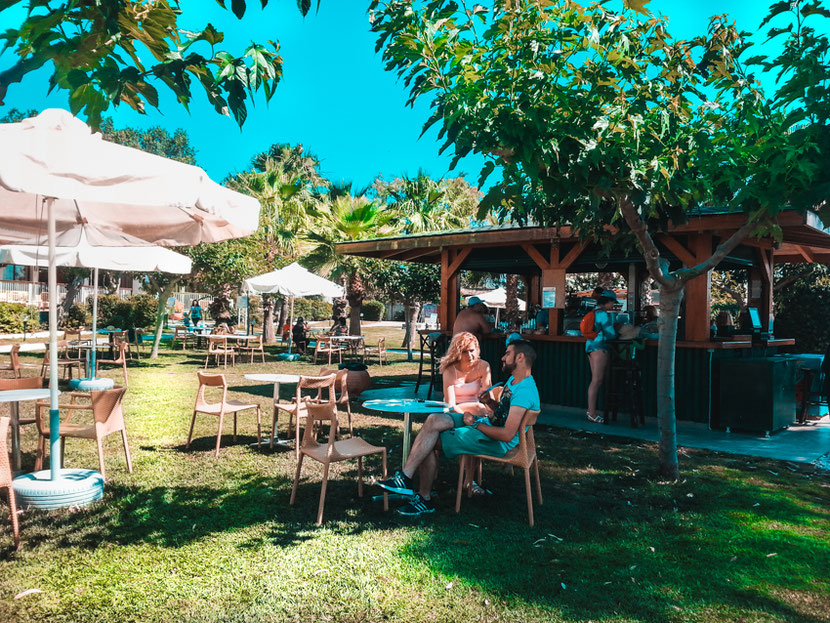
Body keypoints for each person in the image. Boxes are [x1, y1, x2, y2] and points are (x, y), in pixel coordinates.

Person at [375, 339, 540, 516]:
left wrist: (475, 424)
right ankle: (405, 478)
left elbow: (507, 435)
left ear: (520, 357)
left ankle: (423, 499)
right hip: (486, 426)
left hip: (495, 443)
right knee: (434, 420)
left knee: (429, 442)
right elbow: (502, 413)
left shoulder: (524, 392)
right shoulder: (514, 381)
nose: (502, 357)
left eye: (507, 353)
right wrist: (490, 402)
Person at [440, 331, 492, 417]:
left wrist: (491, 414)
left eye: (471, 350)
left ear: (477, 349)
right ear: (457, 353)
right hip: (454, 409)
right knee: (479, 408)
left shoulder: (483, 366)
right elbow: (450, 405)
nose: (469, 355)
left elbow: (489, 395)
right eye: (464, 352)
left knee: (482, 409)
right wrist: (467, 417)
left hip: (476, 407)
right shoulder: (450, 370)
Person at [585, 289, 617, 424]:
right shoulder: (602, 314)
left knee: (595, 381)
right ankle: (591, 413)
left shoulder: (593, 311)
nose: (613, 305)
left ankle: (591, 412)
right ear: (608, 301)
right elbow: (610, 333)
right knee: (597, 381)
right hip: (600, 347)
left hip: (590, 347)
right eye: (612, 302)